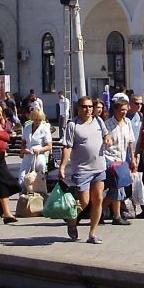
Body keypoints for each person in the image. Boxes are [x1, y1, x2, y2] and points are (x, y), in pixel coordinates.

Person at [60, 96, 110, 243]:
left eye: (89, 106)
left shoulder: (98, 121)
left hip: (99, 167)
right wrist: (62, 166)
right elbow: (67, 147)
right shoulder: (73, 125)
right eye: (84, 107)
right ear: (78, 108)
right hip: (81, 169)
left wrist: (107, 139)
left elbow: (106, 135)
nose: (87, 109)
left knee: (98, 199)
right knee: (84, 201)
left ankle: (92, 234)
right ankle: (71, 221)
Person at [102, 93, 136, 225]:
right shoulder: (108, 124)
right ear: (115, 109)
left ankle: (100, 212)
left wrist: (133, 158)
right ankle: (116, 216)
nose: (124, 112)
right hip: (110, 159)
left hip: (122, 160)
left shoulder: (127, 122)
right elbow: (104, 142)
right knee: (117, 187)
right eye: (121, 110)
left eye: (126, 109)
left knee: (117, 188)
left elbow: (130, 142)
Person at [20, 106, 53, 190]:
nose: (37, 121)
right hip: (28, 155)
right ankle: (24, 197)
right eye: (35, 119)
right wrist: (23, 150)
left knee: (39, 179)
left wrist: (40, 149)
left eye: (39, 119)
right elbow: (23, 142)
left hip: (39, 156)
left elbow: (49, 146)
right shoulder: (27, 127)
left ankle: (40, 197)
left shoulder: (45, 128)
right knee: (22, 178)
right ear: (32, 118)